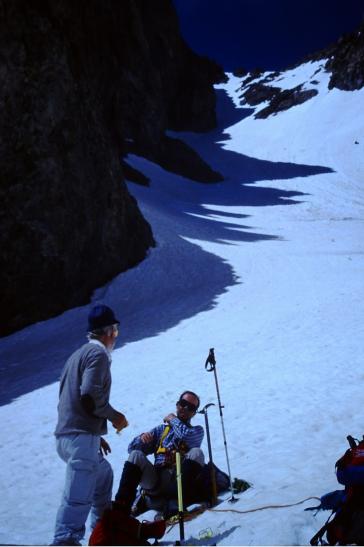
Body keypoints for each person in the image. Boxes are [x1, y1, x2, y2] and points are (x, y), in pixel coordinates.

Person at [52, 304, 128, 546]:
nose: (115, 337)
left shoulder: (77, 355)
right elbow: (89, 394)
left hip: (69, 435)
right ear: (106, 331)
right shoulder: (98, 355)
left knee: (103, 475)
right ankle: (66, 540)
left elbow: (68, 396)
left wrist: (96, 433)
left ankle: (102, 531)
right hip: (79, 437)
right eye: (115, 331)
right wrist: (114, 416)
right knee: (78, 496)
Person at [113, 390, 205, 517]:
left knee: (197, 453)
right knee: (135, 455)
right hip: (156, 481)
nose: (185, 408)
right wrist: (141, 439)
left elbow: (185, 435)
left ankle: (175, 504)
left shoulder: (197, 431)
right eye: (183, 404)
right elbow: (131, 448)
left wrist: (172, 419)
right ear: (177, 405)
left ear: (194, 413)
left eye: (190, 407)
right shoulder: (162, 430)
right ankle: (121, 509)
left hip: (178, 481)